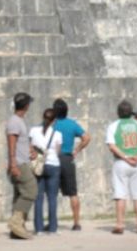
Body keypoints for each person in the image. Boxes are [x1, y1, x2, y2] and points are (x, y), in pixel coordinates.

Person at [106, 100, 137, 234]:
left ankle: (120, 225)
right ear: (131, 112)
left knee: (120, 195)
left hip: (121, 162)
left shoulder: (113, 126)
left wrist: (125, 157)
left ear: (118, 112)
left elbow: (112, 146)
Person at [50, 98, 91, 231]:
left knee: (52, 193)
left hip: (53, 159)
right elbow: (86, 138)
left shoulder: (51, 124)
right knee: (73, 192)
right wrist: (76, 150)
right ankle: (76, 223)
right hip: (67, 158)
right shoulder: (72, 124)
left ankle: (52, 223)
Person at [5, 91, 37, 240]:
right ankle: (16, 223)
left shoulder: (19, 120)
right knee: (31, 190)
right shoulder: (14, 121)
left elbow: (22, 142)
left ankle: (17, 229)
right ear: (26, 105)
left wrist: (31, 150)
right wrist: (13, 164)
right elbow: (11, 143)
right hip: (19, 163)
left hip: (22, 161)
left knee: (20, 195)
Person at [28, 107, 63, 234]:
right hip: (53, 165)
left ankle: (39, 229)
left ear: (43, 118)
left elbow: (30, 148)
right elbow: (58, 152)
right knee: (52, 198)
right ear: (54, 121)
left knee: (38, 198)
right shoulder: (58, 134)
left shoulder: (33, 131)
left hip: (38, 165)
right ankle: (53, 228)